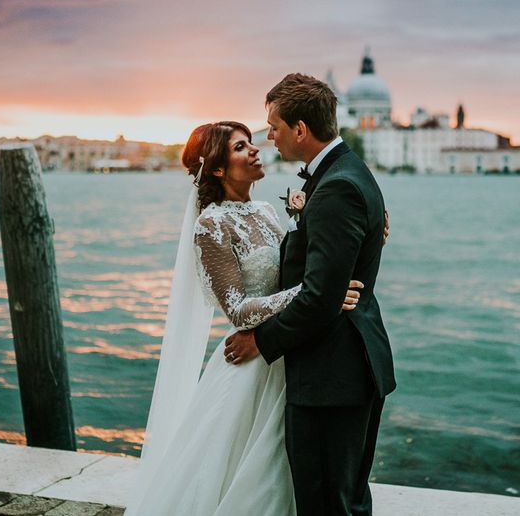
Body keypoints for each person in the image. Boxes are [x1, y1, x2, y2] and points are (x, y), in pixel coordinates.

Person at [125, 120, 364, 516]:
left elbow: (300, 264)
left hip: (289, 348)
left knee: (293, 468)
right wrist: (314, 296)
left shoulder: (268, 210)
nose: (254, 150)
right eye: (240, 147)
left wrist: (364, 232)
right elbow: (236, 309)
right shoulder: (211, 226)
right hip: (251, 363)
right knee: (251, 468)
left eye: (251, 143)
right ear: (218, 168)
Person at [225, 74, 396, 516]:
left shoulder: (336, 187)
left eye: (274, 127)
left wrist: (260, 341)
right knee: (346, 500)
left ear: (301, 130)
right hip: (347, 367)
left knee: (326, 504)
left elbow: (322, 297)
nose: (269, 137)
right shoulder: (347, 173)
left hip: (331, 374)